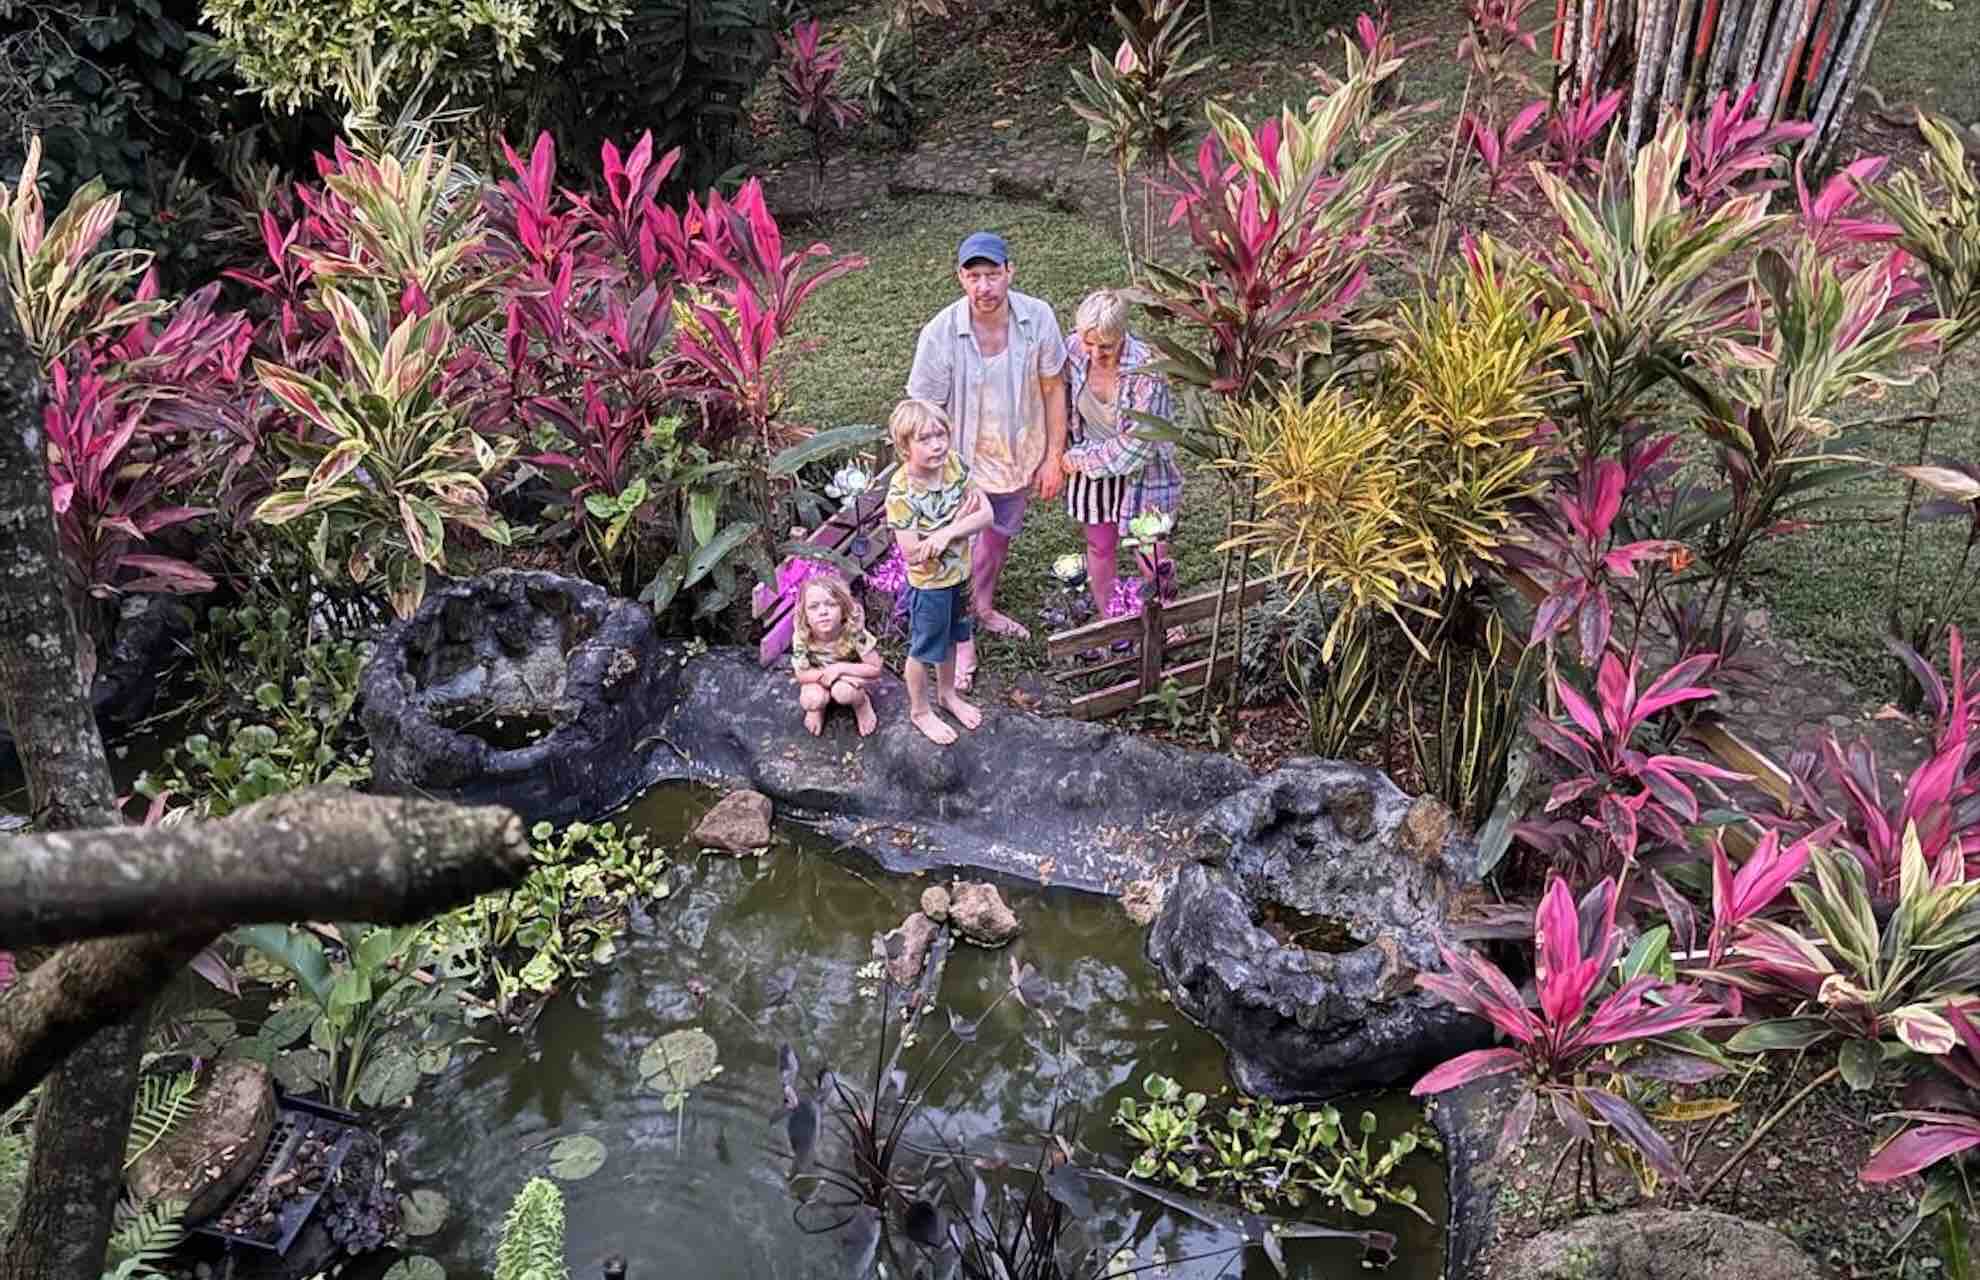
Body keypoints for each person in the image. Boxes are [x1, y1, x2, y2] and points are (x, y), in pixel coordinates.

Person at [906, 230, 1069, 691]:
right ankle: (962, 640)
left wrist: (1053, 456)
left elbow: (1055, 387)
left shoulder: (1038, 318)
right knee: (956, 546)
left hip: (1017, 454)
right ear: (960, 278)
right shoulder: (940, 332)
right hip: (959, 463)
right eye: (974, 276)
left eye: (992, 275)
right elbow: (924, 411)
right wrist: (933, 472)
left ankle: (983, 606)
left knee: (997, 534)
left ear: (1009, 273)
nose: (984, 287)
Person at [1060, 289, 1182, 620]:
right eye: (1089, 343)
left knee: (1151, 550)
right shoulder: (1071, 350)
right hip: (1091, 465)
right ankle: (1111, 618)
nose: (1095, 353)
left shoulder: (1146, 371)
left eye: (1106, 346)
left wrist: (1079, 460)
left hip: (1141, 470)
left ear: (1122, 335)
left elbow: (1137, 448)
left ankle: (1168, 616)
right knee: (1100, 546)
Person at [884, 398, 994, 745]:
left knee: (950, 640)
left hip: (958, 577)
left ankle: (947, 694)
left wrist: (947, 532)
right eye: (925, 439)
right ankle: (919, 711)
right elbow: (913, 554)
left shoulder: (954, 466)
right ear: (905, 447)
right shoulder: (902, 493)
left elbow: (986, 515)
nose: (937, 445)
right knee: (924, 649)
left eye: (941, 435)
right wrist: (959, 522)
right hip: (929, 586)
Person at [790, 574, 884, 737]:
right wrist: (829, 675)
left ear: (843, 608)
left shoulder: (854, 633)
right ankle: (819, 708)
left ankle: (861, 703)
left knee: (843, 692)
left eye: (831, 604)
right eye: (814, 607)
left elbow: (875, 668)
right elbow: (801, 674)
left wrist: (840, 669)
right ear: (804, 614)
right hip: (817, 678)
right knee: (810, 700)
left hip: (848, 678)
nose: (823, 612)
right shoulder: (802, 636)